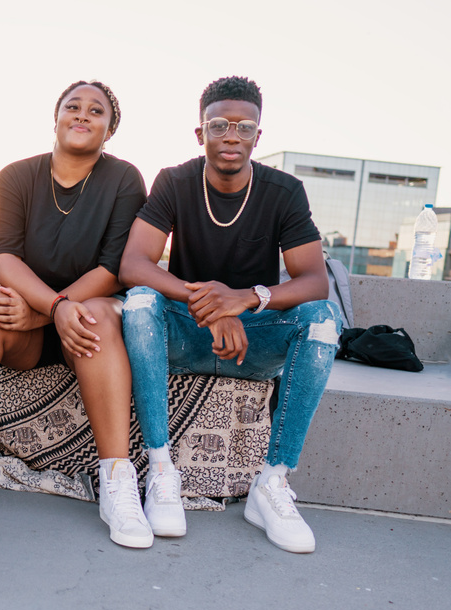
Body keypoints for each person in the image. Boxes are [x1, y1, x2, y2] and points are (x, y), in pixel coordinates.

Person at [0, 80, 155, 549]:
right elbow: (1, 257)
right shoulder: (16, 175)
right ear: (55, 117)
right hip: (29, 319)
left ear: (109, 130)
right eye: (73, 106)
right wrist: (50, 308)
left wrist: (58, 311)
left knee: (96, 315)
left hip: (85, 319)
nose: (83, 115)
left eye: (97, 111)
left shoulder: (125, 179)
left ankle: (116, 480)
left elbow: (114, 268)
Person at [119, 76, 342, 554]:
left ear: (258, 137)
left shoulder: (284, 192)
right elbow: (134, 263)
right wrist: (210, 305)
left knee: (322, 318)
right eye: (219, 125)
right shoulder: (175, 181)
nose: (231, 136)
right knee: (139, 301)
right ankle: (161, 471)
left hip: (253, 340)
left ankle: (273, 483)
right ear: (200, 133)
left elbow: (314, 281)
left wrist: (244, 299)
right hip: (183, 332)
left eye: (244, 127)